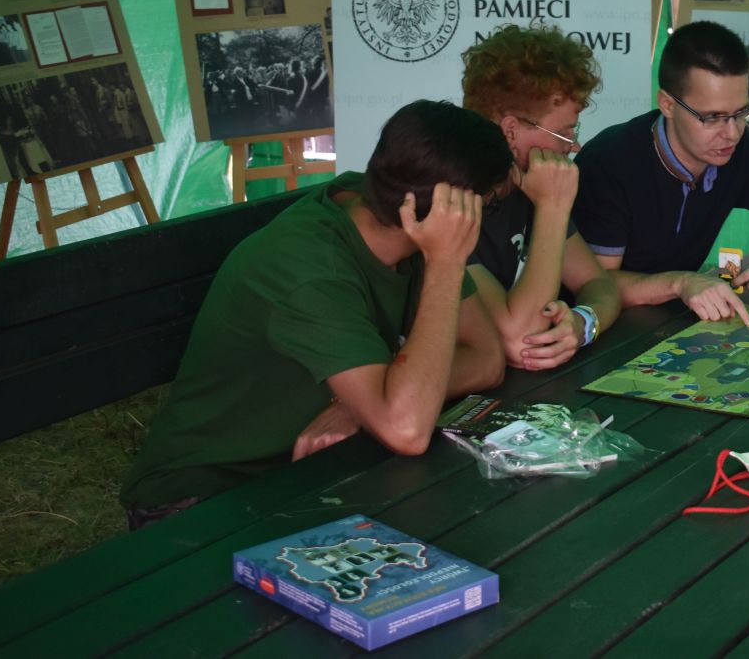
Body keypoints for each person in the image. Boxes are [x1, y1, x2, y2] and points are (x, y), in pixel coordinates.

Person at [120, 100, 513, 528]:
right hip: (203, 500)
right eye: (489, 207)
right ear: (451, 212)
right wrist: (446, 265)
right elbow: (405, 430)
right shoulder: (311, 269)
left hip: (307, 470)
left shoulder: (385, 209)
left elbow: (486, 358)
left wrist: (358, 405)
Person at [572, 20, 749, 322]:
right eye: (712, 117)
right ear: (668, 104)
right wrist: (681, 283)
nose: (732, 133)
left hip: (671, 319)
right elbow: (596, 286)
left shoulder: (741, 151)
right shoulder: (610, 162)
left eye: (742, 113)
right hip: (591, 329)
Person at [460, 24, 622, 371]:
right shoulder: (453, 199)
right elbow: (521, 343)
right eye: (563, 133)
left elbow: (599, 284)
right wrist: (553, 208)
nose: (573, 146)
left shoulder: (528, 185)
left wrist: (582, 323)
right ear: (510, 130)